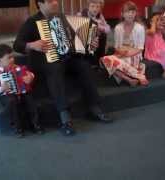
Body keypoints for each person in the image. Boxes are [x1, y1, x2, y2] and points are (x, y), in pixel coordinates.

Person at [13, 0, 113, 136]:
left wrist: (91, 43)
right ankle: (64, 117)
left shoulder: (61, 17)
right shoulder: (32, 21)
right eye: (50, 1)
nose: (55, 3)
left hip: (67, 57)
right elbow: (17, 44)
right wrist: (31, 45)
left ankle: (94, 108)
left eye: (55, 0)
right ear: (40, 4)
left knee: (83, 66)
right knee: (54, 69)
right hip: (45, 60)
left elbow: (79, 41)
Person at [0, 44, 44, 138]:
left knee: (30, 100)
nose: (12, 60)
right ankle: (18, 127)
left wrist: (30, 77)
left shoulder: (18, 68)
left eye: (12, 57)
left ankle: (35, 124)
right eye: (9, 58)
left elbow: (30, 74)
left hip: (22, 92)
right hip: (6, 95)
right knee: (12, 101)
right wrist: (2, 88)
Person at [101, 1, 149, 87]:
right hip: (121, 54)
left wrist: (127, 54)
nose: (130, 14)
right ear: (123, 14)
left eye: (132, 12)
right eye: (127, 12)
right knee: (104, 59)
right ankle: (132, 78)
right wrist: (120, 53)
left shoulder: (140, 28)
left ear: (135, 14)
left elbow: (140, 48)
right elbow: (117, 47)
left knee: (112, 62)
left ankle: (135, 74)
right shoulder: (118, 28)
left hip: (135, 55)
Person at [77, 0, 111, 69]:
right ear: (88, 7)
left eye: (97, 7)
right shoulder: (81, 14)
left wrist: (100, 27)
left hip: (95, 42)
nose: (95, 9)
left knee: (103, 35)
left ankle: (100, 60)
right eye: (92, 6)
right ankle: (89, 62)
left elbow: (108, 29)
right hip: (83, 41)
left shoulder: (100, 16)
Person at [144, 13, 165, 79]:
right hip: (153, 50)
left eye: (161, 20)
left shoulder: (160, 30)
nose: (160, 22)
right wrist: (153, 21)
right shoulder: (148, 31)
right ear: (151, 22)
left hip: (163, 47)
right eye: (158, 20)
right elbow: (152, 31)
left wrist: (164, 21)